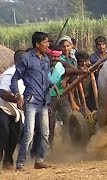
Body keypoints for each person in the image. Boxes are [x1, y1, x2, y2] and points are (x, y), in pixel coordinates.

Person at [10, 32, 54, 170]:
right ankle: (20, 163)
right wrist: (17, 94)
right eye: (45, 42)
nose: (48, 45)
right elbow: (14, 79)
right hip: (31, 100)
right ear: (37, 44)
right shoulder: (26, 59)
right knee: (29, 133)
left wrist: (52, 85)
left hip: (44, 101)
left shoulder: (46, 59)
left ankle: (39, 160)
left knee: (45, 133)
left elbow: (46, 79)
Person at [0, 50, 25, 170]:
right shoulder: (9, 74)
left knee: (14, 136)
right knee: (3, 133)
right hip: (3, 108)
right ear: (16, 61)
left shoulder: (27, 74)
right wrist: (16, 99)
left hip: (17, 111)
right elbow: (2, 92)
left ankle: (8, 161)